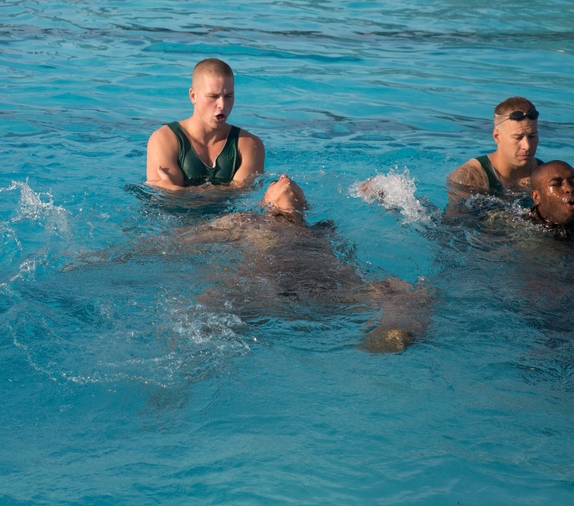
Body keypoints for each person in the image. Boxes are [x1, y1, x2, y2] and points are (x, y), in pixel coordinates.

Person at [182, 175, 431, 353]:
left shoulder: (324, 229)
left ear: (306, 205)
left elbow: (349, 260)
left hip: (329, 288)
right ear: (264, 203)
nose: (284, 176)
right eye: (273, 182)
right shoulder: (246, 221)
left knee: (406, 291)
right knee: (210, 301)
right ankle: (201, 344)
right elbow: (184, 242)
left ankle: (391, 334)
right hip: (270, 286)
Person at [146, 58, 265, 190]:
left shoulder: (249, 144)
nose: (222, 105)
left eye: (228, 96)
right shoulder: (164, 139)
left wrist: (176, 190)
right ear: (193, 96)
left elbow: (243, 195)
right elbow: (165, 201)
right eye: (213, 97)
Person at [446, 96, 543, 214]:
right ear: (497, 136)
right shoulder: (470, 177)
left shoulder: (549, 177)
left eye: (532, 136)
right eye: (518, 137)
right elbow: (453, 225)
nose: (527, 146)